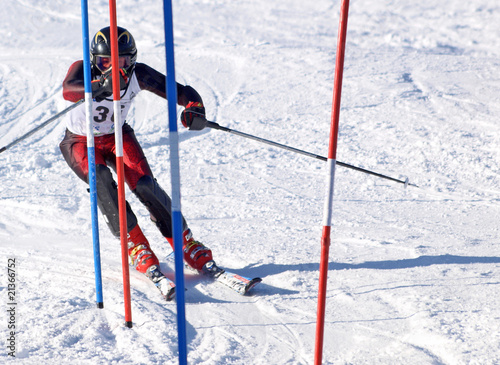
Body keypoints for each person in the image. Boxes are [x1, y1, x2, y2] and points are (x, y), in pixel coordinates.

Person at [60, 26, 214, 301]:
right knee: (104, 183)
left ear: (132, 59)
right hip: (82, 142)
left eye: (122, 61)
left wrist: (194, 107)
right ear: (97, 60)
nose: (115, 67)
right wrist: (98, 86)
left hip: (117, 135)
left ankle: (185, 242)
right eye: (106, 61)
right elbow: (68, 91)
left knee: (145, 186)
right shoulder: (83, 68)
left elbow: (179, 92)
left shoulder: (138, 74)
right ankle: (136, 245)